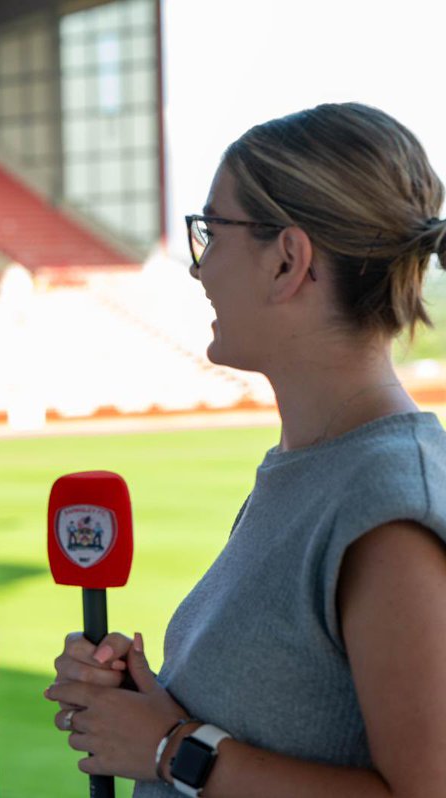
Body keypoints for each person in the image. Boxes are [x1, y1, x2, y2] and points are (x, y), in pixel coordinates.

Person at [45, 103, 446, 797]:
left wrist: (174, 749)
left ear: (288, 259)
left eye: (211, 231)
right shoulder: (314, 464)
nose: (199, 270)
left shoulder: (387, 503)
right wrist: (150, 698)